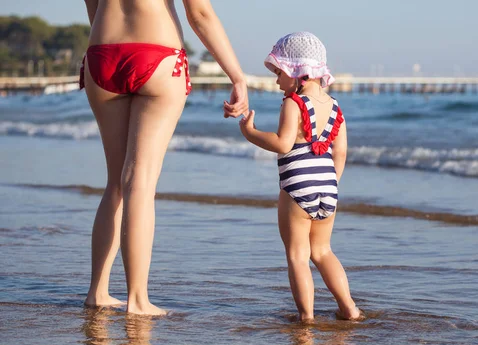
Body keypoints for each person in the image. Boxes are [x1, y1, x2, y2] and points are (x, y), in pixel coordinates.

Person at [81, 0, 248, 315]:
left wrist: (102, 48)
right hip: (158, 55)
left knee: (116, 183)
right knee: (140, 182)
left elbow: (93, 6)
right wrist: (236, 76)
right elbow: (199, 13)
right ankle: (138, 300)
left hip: (102, 54)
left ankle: (97, 292)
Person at [239, 32, 361, 321]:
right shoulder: (335, 107)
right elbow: (340, 153)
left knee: (297, 255)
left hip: (297, 189)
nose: (276, 80)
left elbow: (283, 143)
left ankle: (306, 317)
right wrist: (332, 182)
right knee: (322, 251)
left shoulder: (294, 103)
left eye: (280, 72)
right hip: (329, 188)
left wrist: (250, 133)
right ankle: (349, 308)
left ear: (298, 74)